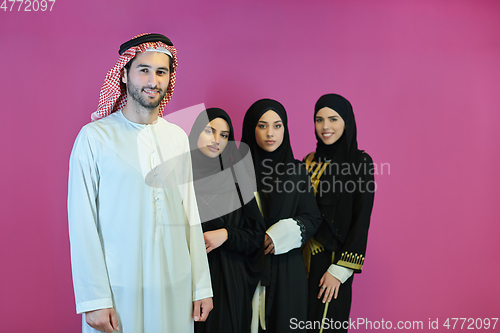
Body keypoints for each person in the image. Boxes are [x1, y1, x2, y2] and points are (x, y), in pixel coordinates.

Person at [68, 33, 213, 333]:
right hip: (119, 291)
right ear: (124, 74)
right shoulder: (95, 138)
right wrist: (93, 298)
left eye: (161, 72)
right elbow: (82, 223)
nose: (153, 80)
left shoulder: (176, 137)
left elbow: (191, 216)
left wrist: (201, 286)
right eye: (143, 69)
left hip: (175, 287)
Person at [240, 99, 322, 333]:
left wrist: (281, 234)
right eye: (262, 125)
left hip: (287, 272)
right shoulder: (237, 172)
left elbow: (312, 217)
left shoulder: (297, 171)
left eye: (277, 126)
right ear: (250, 128)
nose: (270, 133)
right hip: (245, 269)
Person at [189, 108, 266, 333]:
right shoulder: (180, 177)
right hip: (187, 279)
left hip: (229, 282)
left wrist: (226, 234)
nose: (217, 140)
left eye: (224, 135)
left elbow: (257, 236)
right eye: (209, 131)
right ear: (195, 134)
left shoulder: (236, 180)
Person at [303, 94, 375, 333]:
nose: (325, 126)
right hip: (301, 261)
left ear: (346, 121)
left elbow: (361, 219)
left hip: (332, 264)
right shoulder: (308, 162)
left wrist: (341, 270)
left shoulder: (360, 162)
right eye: (319, 119)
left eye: (333, 119)